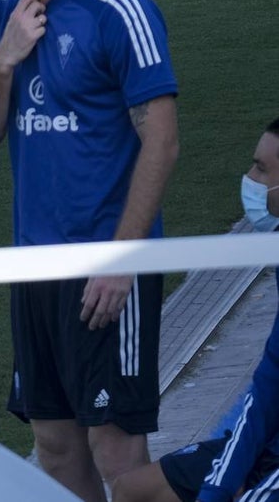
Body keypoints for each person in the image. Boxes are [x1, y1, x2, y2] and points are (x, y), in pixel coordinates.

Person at [0, 0, 180, 501]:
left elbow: (160, 143)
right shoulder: (5, 15)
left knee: (118, 452)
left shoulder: (121, 11)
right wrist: (3, 62)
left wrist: (121, 256)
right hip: (35, 267)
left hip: (105, 270)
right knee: (56, 448)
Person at [112, 118, 279, 502]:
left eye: (262, 169)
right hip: (266, 441)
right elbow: (269, 384)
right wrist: (226, 471)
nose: (250, 179)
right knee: (132, 492)